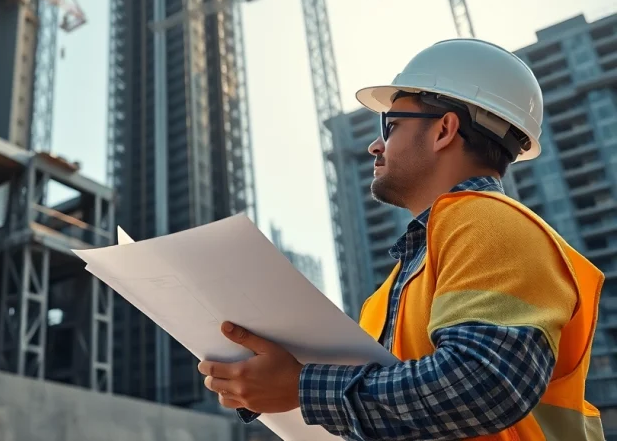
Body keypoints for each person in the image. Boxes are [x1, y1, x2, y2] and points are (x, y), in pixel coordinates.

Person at [198, 39, 605, 441]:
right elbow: (391, 410)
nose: (375, 145)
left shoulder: (488, 221)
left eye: (390, 126)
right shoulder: (391, 291)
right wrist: (269, 383)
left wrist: (302, 388)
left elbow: (483, 382)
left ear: (444, 130)